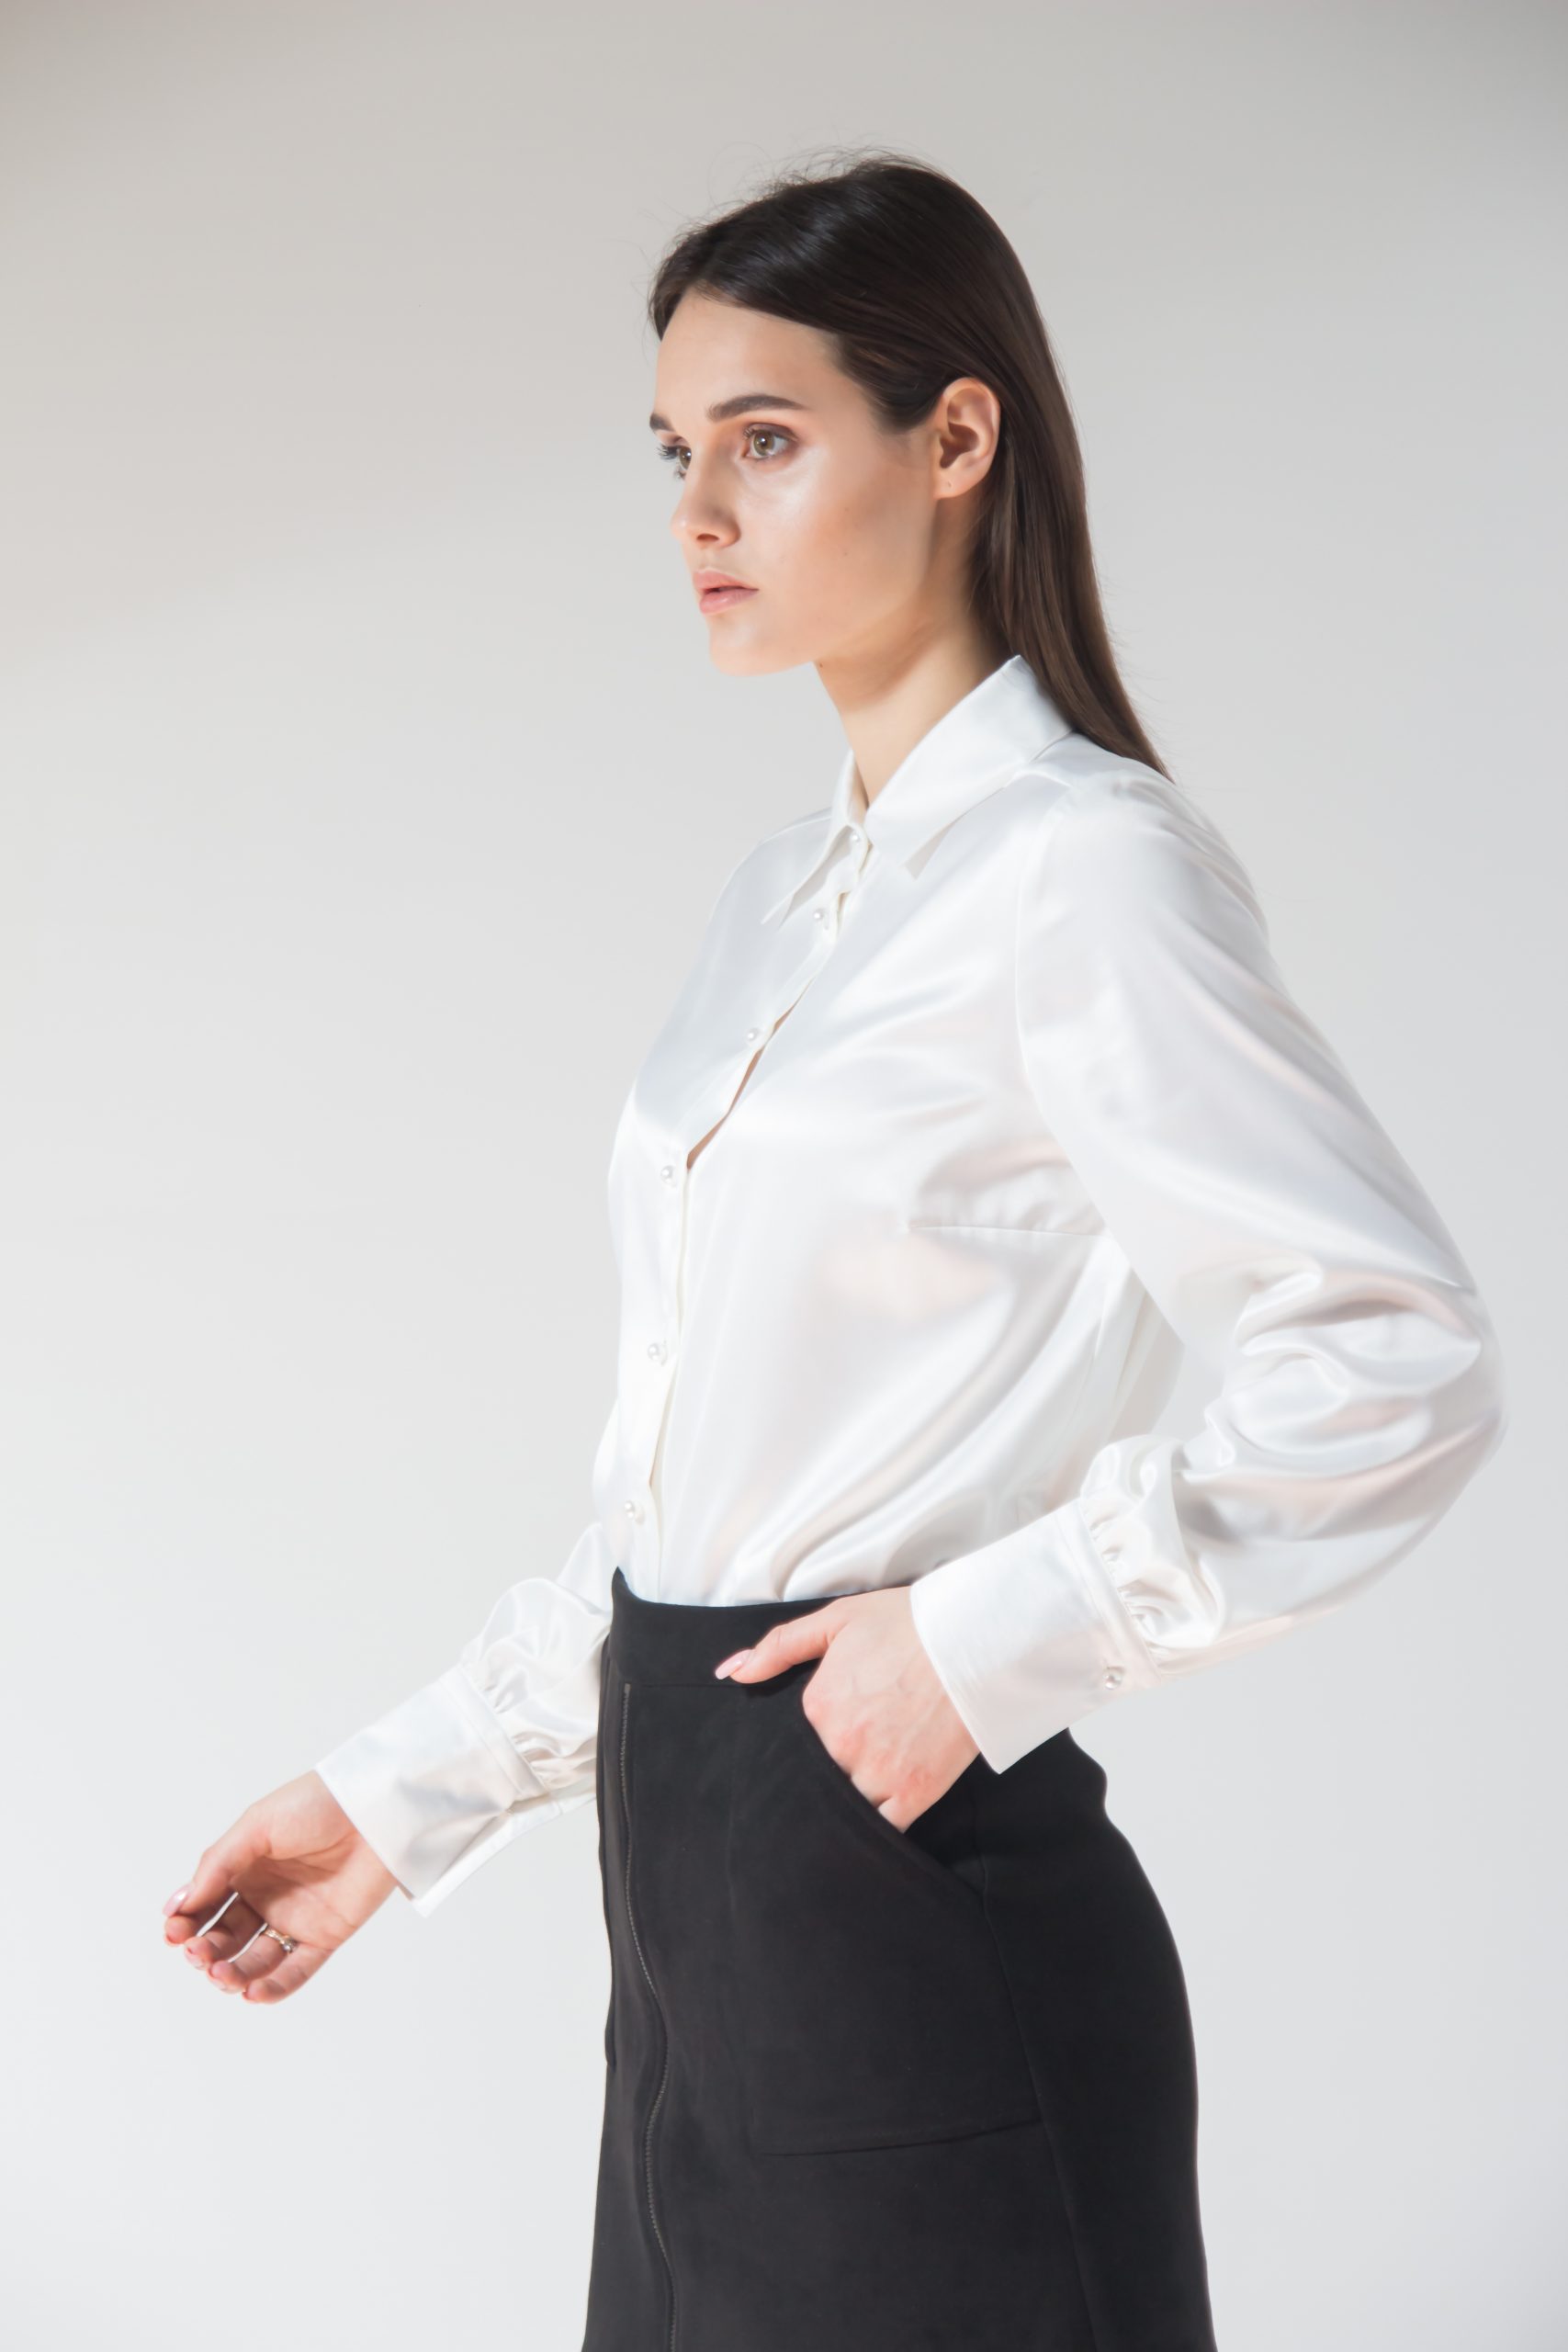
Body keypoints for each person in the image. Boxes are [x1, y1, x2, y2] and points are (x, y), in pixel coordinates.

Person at [161, 152, 1507, 2350]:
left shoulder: (1083, 870)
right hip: (690, 1943)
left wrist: (980, 1637)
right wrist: (398, 1794)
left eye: (764, 440)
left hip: (915, 1925)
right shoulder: (776, 904)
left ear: (954, 437)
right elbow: (698, 1497)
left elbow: (1390, 1354)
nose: (698, 509)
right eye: (674, 452)